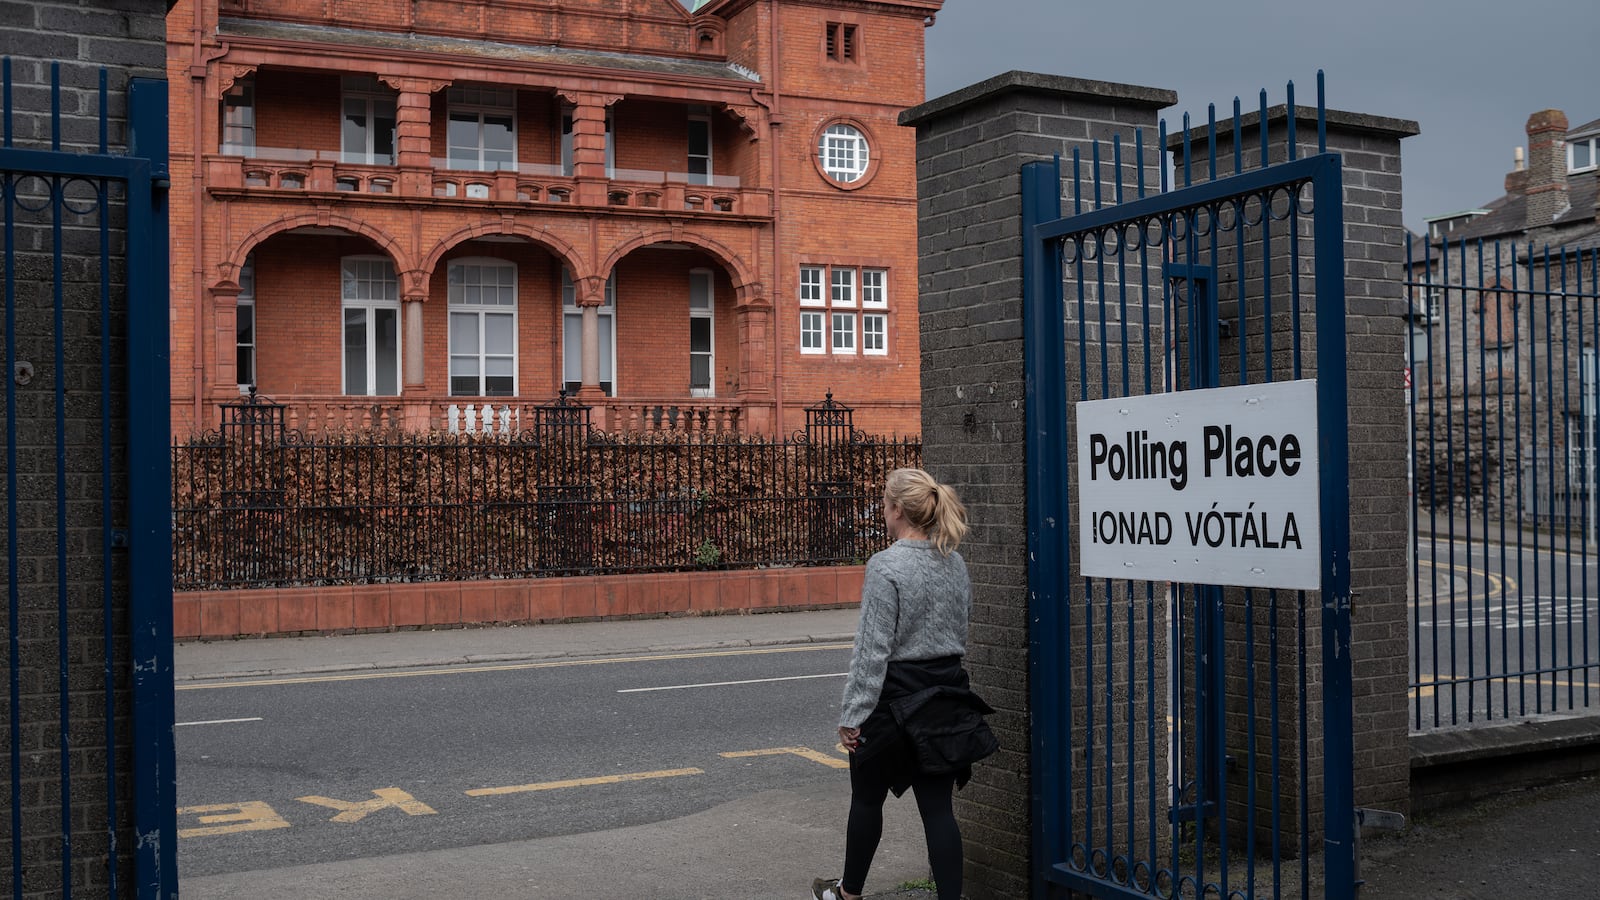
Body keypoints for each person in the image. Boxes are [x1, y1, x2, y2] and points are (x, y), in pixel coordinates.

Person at [811, 468, 997, 900]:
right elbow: (962, 628)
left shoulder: (886, 565)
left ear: (897, 510)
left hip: (893, 701)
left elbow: (872, 650)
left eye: (883, 503)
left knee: (866, 800)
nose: (882, 510)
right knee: (938, 811)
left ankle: (848, 894)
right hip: (945, 697)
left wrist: (852, 715)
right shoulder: (954, 561)